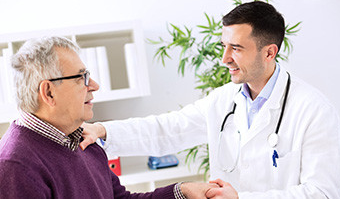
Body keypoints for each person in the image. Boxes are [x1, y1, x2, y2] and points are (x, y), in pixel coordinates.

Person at [80, 1, 340, 199]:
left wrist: (241, 198)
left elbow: (323, 192)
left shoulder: (314, 111)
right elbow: (168, 129)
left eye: (237, 48)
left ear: (269, 52)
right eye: (224, 46)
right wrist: (104, 131)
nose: (225, 58)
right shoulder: (223, 100)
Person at [0, 36, 218, 199]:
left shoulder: (81, 140)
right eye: (82, 77)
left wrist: (182, 192)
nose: (94, 85)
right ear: (48, 92)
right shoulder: (15, 166)